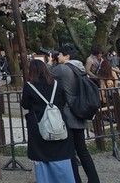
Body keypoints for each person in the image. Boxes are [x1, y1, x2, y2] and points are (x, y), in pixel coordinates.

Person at [51, 45, 101, 183]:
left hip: (69, 113)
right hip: (80, 110)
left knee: (70, 152)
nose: (58, 56)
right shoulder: (80, 68)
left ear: (67, 56)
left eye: (60, 54)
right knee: (83, 150)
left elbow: (46, 76)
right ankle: (94, 179)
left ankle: (76, 180)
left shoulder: (62, 69)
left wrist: (50, 63)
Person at [21, 58, 75, 182]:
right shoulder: (57, 84)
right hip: (58, 123)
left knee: (42, 159)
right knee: (62, 157)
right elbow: (64, 101)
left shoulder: (29, 86)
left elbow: (25, 104)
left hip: (40, 125)